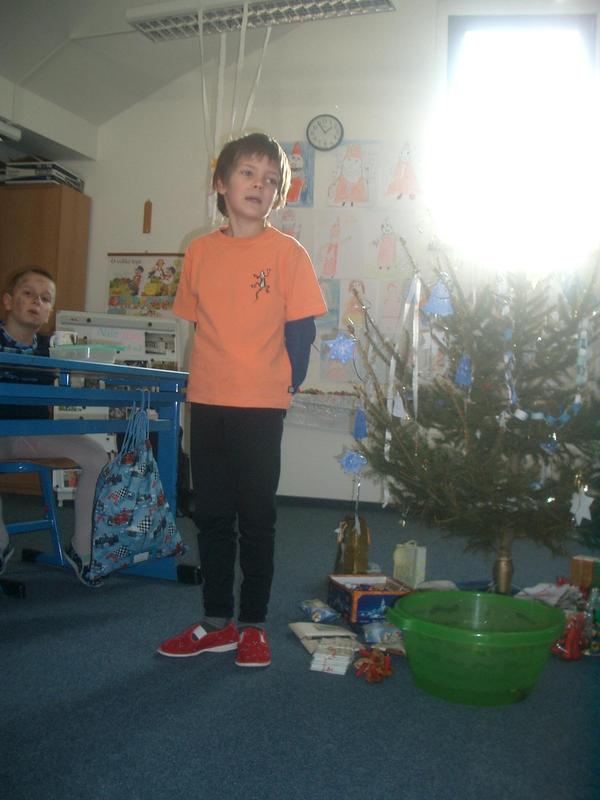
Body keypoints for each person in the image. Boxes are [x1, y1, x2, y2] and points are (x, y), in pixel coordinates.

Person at [158, 133, 327, 667]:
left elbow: (301, 331)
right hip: (207, 400)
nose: (260, 185)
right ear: (221, 183)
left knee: (256, 517)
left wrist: (285, 386)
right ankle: (217, 622)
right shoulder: (200, 250)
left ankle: (252, 624)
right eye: (248, 174)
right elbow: (198, 326)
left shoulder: (288, 253)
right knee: (211, 515)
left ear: (278, 195)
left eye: (271, 180)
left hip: (260, 405)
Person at [0, 267, 109, 587]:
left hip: (33, 433)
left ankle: (82, 548)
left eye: (46, 299)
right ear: (8, 301)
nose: (37, 302)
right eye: (28, 294)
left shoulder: (54, 347)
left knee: (97, 457)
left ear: (50, 310)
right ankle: (1, 543)